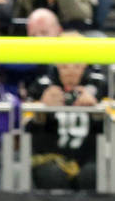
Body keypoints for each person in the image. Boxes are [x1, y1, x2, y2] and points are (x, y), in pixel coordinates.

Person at [25, 58, 105, 191]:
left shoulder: (100, 86)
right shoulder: (42, 87)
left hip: (88, 157)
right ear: (57, 67)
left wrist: (96, 111)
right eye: (65, 67)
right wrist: (42, 109)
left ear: (84, 67)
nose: (70, 71)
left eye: (76, 66)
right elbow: (26, 128)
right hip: (52, 158)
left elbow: (108, 126)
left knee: (93, 173)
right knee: (51, 174)